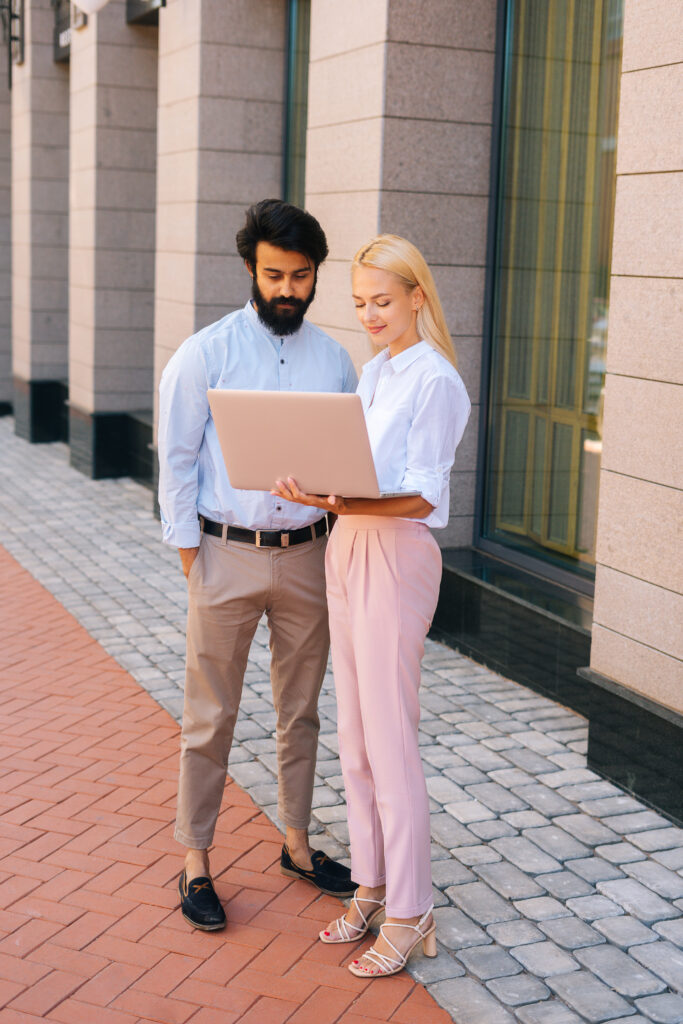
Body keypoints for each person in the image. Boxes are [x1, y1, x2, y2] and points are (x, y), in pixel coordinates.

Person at [272, 234, 471, 977]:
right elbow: (353, 469)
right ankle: (371, 884)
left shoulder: (434, 380)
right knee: (354, 738)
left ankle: (413, 909)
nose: (369, 315)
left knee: (389, 741)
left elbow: (424, 494)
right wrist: (312, 489)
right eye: (358, 304)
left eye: (381, 302)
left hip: (395, 554)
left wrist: (342, 497)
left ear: (418, 296)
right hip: (346, 545)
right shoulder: (376, 372)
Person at [158, 199, 359, 932]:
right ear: (251, 268)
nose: (286, 289)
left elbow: (348, 464)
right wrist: (192, 557)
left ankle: (298, 845)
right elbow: (175, 459)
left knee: (300, 711)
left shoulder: (334, 360)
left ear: (315, 278)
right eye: (273, 274)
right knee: (209, 716)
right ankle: (196, 860)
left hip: (307, 556)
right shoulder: (206, 352)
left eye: (300, 277)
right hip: (224, 552)